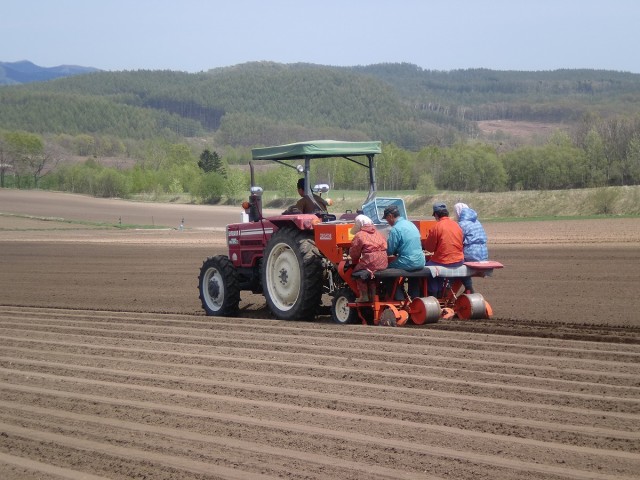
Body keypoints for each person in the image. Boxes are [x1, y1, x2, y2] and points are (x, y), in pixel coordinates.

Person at [383, 205, 424, 299]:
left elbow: (390, 251)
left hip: (408, 262)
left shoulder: (395, 229)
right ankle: (415, 298)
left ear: (390, 216)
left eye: (386, 219)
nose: (387, 222)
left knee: (386, 272)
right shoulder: (411, 224)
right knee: (414, 276)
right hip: (420, 261)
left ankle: (399, 298)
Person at [424, 203, 464, 298]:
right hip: (459, 260)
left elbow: (429, 248)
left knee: (426, 268)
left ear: (436, 215)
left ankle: (433, 293)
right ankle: (442, 291)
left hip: (444, 261)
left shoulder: (436, 227)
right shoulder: (457, 225)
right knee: (438, 265)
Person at [348, 214, 388, 302]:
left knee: (357, 272)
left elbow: (354, 255)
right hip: (383, 262)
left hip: (371, 261)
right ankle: (373, 295)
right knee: (371, 275)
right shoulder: (378, 233)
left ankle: (364, 295)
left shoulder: (359, 235)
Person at [454, 202, 489, 293]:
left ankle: (466, 287)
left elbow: (457, 242)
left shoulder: (461, 224)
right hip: (483, 254)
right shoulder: (477, 222)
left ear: (459, 212)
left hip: (472, 254)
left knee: (454, 264)